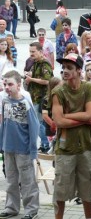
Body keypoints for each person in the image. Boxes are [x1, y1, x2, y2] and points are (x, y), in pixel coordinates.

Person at [51, 53, 91, 219]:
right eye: (63, 67)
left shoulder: (88, 89)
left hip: (85, 145)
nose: (65, 70)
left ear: (79, 70)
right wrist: (83, 120)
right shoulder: (58, 91)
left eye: (69, 68)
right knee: (61, 190)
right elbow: (58, 121)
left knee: (88, 189)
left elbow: (89, 114)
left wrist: (68, 116)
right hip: (64, 148)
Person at [0, 70, 40, 219]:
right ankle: (11, 207)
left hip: (23, 149)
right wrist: (1, 143)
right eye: (5, 84)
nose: (7, 87)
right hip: (8, 148)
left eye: (10, 84)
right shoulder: (5, 101)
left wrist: (33, 150)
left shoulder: (25, 103)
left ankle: (31, 210)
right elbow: (3, 123)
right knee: (10, 180)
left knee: (27, 181)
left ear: (19, 85)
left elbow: (34, 127)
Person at [24, 42, 54, 153]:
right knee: (38, 122)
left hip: (42, 98)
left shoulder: (44, 63)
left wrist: (31, 79)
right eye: (30, 51)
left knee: (39, 122)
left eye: (33, 51)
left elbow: (47, 81)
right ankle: (44, 143)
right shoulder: (35, 62)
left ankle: (45, 144)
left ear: (40, 52)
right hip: (34, 97)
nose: (31, 54)